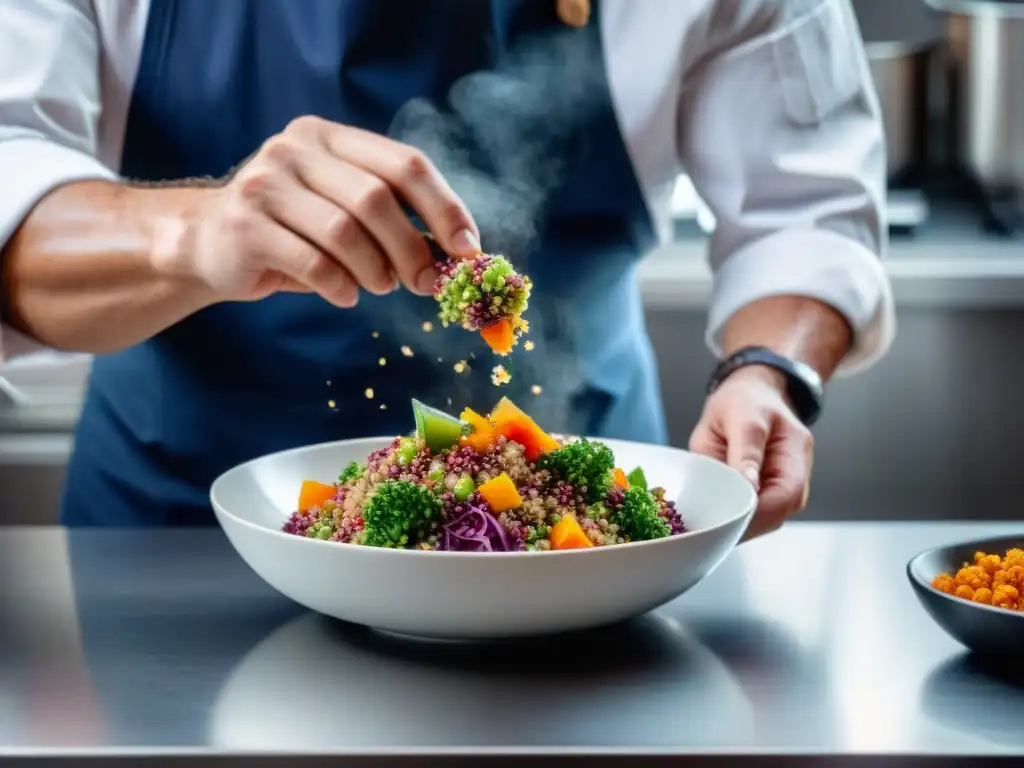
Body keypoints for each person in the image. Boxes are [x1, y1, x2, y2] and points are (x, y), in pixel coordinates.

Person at [0, 0, 894, 537]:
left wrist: (768, 372)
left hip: (575, 537)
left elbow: (804, 210)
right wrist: (195, 230)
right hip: (173, 533)